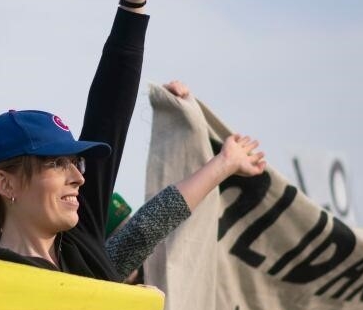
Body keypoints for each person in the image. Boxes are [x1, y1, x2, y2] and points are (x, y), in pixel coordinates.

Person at [0, 0, 177, 281]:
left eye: (74, 162)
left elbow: (110, 110)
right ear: (5, 183)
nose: (79, 176)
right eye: (56, 163)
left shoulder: (82, 242)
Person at [105, 80, 266, 282]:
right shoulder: (87, 270)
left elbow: (153, 231)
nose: (76, 178)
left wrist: (175, 124)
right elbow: (142, 233)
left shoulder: (89, 202)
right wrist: (225, 163)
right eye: (56, 163)